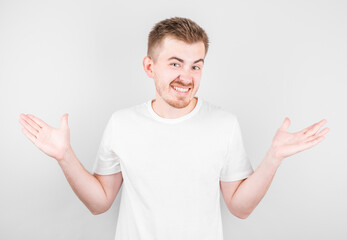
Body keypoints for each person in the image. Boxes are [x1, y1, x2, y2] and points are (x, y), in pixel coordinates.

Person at [18, 17, 329, 240]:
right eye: (175, 63)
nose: (187, 76)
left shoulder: (224, 124)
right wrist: (65, 156)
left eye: (196, 65)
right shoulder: (122, 123)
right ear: (149, 67)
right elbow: (100, 203)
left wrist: (273, 157)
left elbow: (240, 208)